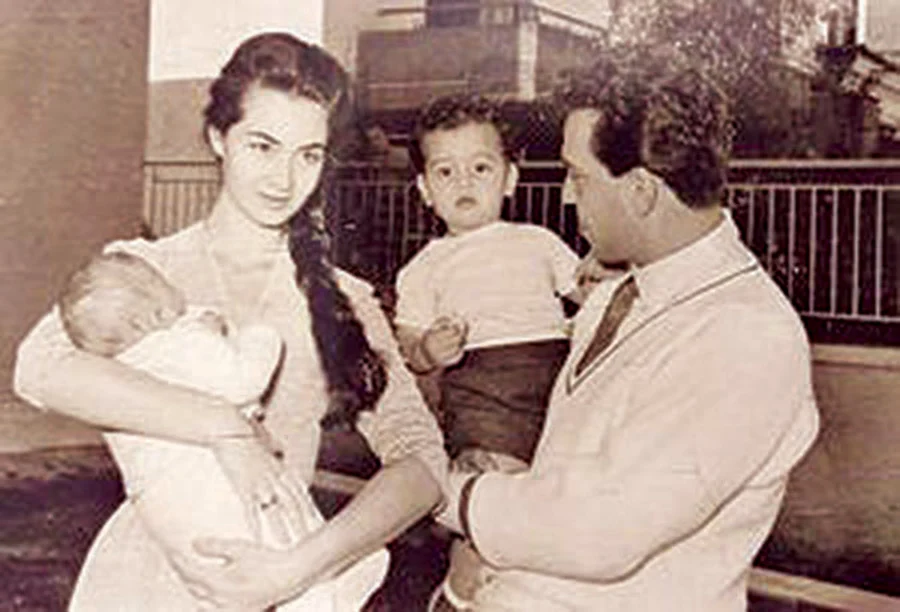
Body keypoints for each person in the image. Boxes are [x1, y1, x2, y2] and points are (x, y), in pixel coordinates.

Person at [14, 32, 446, 611]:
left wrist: (299, 569)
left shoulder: (343, 299)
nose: (284, 180)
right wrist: (224, 426)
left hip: (280, 570)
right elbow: (38, 369)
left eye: (308, 154)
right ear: (219, 137)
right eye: (262, 146)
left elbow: (423, 462)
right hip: (148, 576)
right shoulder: (141, 270)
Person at [434, 51, 821, 610]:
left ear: (641, 191)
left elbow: (600, 534)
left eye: (578, 176)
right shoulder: (617, 293)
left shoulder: (745, 334)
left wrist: (445, 493)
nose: (567, 196)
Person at [56, 251, 389, 611]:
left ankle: (320, 591)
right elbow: (242, 381)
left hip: (164, 507)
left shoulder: (116, 372)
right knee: (275, 539)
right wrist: (259, 335)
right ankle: (322, 594)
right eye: (167, 287)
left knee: (225, 573)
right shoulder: (178, 342)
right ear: (155, 315)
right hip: (213, 484)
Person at [398, 93, 583, 469]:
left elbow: (591, 293)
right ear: (425, 189)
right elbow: (410, 344)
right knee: (492, 464)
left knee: (574, 458)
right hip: (482, 382)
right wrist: (429, 351)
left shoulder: (538, 240)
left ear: (509, 178)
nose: (463, 181)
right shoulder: (423, 267)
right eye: (445, 172)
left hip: (558, 370)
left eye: (480, 168)